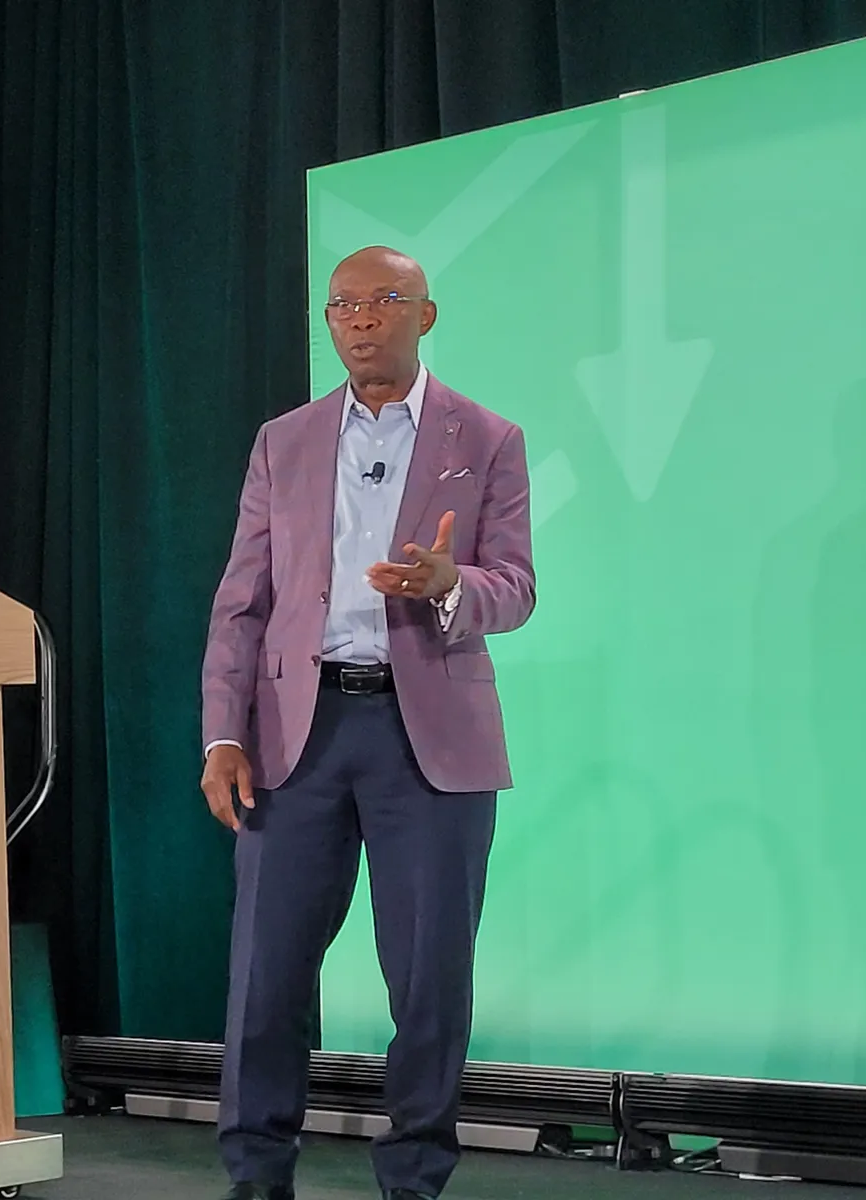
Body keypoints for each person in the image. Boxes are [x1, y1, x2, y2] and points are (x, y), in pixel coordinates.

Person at [199, 246, 536, 1200]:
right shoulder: (285, 440)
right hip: (292, 738)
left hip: (428, 740)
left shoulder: (489, 437)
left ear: (426, 315)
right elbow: (242, 599)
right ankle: (256, 1178)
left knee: (429, 984)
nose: (359, 319)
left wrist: (449, 585)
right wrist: (222, 733)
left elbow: (514, 587)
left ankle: (414, 1180)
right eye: (341, 304)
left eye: (384, 300)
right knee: (265, 979)